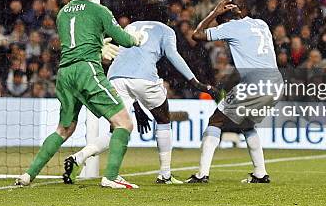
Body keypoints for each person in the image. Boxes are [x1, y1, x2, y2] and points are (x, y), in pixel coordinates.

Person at [16, 0, 144, 189]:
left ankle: (28, 175)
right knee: (123, 123)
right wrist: (137, 39)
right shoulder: (99, 10)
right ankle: (111, 176)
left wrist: (98, 45)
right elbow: (122, 39)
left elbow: (78, 39)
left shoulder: (63, 13)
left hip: (65, 73)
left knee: (64, 129)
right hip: (87, 70)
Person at [63, 10, 214, 185]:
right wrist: (195, 82)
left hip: (116, 77)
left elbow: (123, 54)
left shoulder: (131, 26)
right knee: (163, 119)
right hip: (144, 77)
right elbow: (174, 56)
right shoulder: (166, 30)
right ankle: (165, 174)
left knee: (118, 129)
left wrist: (136, 105)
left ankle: (79, 157)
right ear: (166, 20)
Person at [187, 0, 283, 184]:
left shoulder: (230, 27)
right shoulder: (260, 23)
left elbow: (196, 35)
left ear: (223, 21)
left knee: (215, 120)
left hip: (255, 83)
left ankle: (202, 174)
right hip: (276, 83)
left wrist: (213, 13)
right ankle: (261, 173)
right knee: (247, 125)